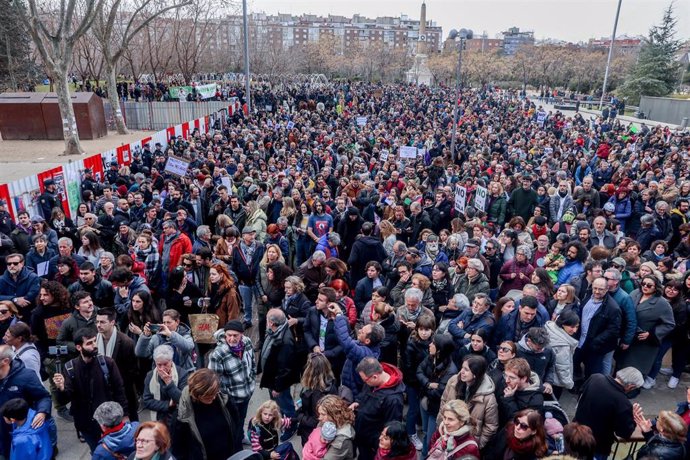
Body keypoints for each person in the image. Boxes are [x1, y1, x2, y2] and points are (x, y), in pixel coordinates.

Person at [53, 328, 128, 452]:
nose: (94, 346)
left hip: (109, 421)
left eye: (94, 341)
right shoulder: (70, 367)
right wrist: (61, 388)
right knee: (96, 451)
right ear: (78, 347)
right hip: (85, 423)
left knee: (115, 452)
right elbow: (66, 398)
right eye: (89, 343)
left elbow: (119, 391)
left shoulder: (107, 363)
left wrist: (125, 415)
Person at [618, 275, 675, 389]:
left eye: (649, 285)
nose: (645, 287)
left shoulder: (662, 303)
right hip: (629, 336)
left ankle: (632, 389)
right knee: (622, 364)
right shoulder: (634, 293)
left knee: (636, 368)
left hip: (644, 343)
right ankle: (619, 386)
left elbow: (670, 324)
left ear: (656, 287)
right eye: (643, 284)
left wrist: (651, 333)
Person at [573, 367, 643, 459]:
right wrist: (631, 416)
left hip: (574, 433)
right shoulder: (623, 403)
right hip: (596, 446)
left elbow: (581, 395)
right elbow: (624, 433)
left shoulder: (595, 378)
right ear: (631, 387)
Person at [173, 368, 243, 460]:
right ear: (196, 394)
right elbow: (178, 448)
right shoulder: (182, 413)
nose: (213, 398)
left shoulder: (224, 400)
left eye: (215, 393)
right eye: (208, 396)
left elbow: (236, 426)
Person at [0, 345, 52, 460]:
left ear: (5, 361)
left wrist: (42, 412)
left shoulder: (26, 376)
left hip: (18, 435)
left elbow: (43, 397)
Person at [439, 355, 499, 450]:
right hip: (447, 434)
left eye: (466, 370)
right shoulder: (454, 381)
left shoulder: (488, 398)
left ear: (476, 374)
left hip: (467, 442)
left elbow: (491, 427)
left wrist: (475, 445)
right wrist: (441, 426)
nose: (461, 371)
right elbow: (443, 402)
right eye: (462, 367)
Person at [352, 357, 405, 460]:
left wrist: (377, 446)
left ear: (375, 377)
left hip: (373, 447)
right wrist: (357, 402)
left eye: (365, 380)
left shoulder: (393, 400)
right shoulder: (372, 381)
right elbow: (364, 394)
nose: (365, 383)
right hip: (364, 440)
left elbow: (390, 431)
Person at [207, 320, 255, 425]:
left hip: (247, 393)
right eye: (229, 335)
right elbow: (214, 381)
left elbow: (252, 362)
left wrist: (252, 380)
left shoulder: (247, 342)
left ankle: (241, 436)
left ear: (242, 335)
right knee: (232, 425)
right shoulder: (218, 354)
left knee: (242, 419)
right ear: (225, 334)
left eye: (235, 335)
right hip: (233, 400)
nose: (232, 339)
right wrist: (229, 397)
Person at [416, 333, 458, 456]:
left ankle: (426, 456)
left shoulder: (451, 370)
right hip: (424, 403)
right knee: (424, 432)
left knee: (430, 439)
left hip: (436, 409)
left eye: (433, 343)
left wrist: (428, 387)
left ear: (440, 349)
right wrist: (429, 384)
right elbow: (419, 371)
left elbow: (439, 393)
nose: (430, 344)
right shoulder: (430, 357)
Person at [95, 308, 139, 421]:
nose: (98, 325)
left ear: (112, 322)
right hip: (102, 389)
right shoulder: (94, 340)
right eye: (97, 322)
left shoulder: (126, 342)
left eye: (102, 322)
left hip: (123, 390)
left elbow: (133, 371)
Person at [259, 308, 301, 427]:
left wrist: (277, 388)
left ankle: (291, 425)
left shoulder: (285, 341)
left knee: (285, 405)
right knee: (277, 404)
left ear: (271, 323)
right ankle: (280, 420)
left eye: (267, 319)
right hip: (272, 378)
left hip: (278, 383)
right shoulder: (276, 332)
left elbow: (285, 368)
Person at [142, 344, 189, 430]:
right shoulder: (150, 376)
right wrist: (168, 404)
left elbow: (183, 400)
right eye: (159, 365)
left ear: (171, 361)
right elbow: (147, 401)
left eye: (165, 364)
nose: (162, 368)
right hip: (158, 420)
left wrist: (169, 383)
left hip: (178, 421)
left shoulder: (182, 374)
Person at [232, 226, 265, 330]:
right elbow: (234, 266)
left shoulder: (260, 246)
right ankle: (247, 320)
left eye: (253, 234)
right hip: (244, 282)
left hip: (257, 282)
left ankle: (263, 321)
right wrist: (239, 279)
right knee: (246, 304)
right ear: (243, 236)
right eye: (250, 234)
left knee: (260, 304)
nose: (252, 236)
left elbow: (263, 262)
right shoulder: (236, 248)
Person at [498, 358, 544, 427]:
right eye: (505, 375)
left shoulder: (536, 400)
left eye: (512, 378)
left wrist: (509, 399)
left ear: (523, 379)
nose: (507, 380)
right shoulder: (506, 383)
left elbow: (519, 423)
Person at [544, 309, 579, 398]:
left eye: (577, 327)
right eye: (572, 327)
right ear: (563, 324)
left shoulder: (550, 327)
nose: (575, 330)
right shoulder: (563, 345)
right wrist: (569, 384)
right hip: (555, 382)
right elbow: (562, 367)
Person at [316, 395, 356, 460]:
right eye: (319, 414)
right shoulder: (327, 422)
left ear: (335, 414)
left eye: (323, 414)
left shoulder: (342, 439)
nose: (319, 418)